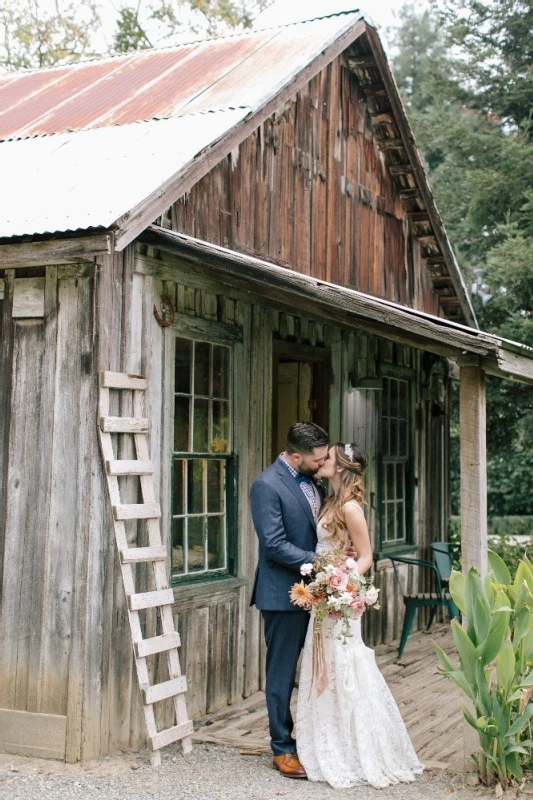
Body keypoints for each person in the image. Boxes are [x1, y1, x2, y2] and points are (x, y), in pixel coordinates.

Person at [296, 443, 424, 789]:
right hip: (325, 594)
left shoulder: (351, 507)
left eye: (329, 457)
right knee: (323, 663)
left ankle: (356, 747)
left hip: (339, 598)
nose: (322, 460)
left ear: (341, 467)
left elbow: (366, 555)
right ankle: (328, 739)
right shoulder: (331, 500)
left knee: (344, 665)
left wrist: (342, 582)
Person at [250, 422, 338, 778]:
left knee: (317, 669)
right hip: (283, 595)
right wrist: (323, 564)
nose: (322, 464)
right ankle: (282, 748)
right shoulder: (266, 485)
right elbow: (273, 543)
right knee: (282, 673)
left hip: (316, 593)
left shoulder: (313, 481)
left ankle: (315, 741)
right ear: (296, 455)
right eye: (317, 459)